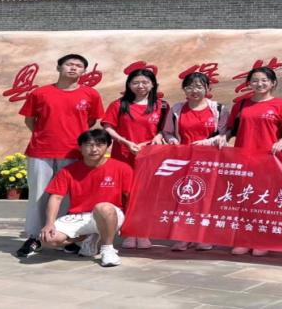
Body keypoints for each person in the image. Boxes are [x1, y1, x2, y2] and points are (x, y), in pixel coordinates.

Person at [15, 54, 105, 259]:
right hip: (41, 151)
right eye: (69, 64)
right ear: (59, 68)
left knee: (68, 197)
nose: (73, 68)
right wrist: (45, 134)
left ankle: (64, 236)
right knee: (39, 196)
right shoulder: (40, 93)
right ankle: (34, 237)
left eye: (78, 66)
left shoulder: (90, 94)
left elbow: (90, 121)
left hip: (74, 153)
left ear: (84, 71)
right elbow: (30, 120)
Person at [39, 129, 134, 268]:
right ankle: (88, 236)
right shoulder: (68, 171)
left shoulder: (122, 168)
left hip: (110, 215)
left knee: (102, 207)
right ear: (80, 147)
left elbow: (130, 197)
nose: (94, 149)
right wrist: (49, 223)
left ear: (108, 146)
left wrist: (130, 225)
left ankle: (107, 249)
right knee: (48, 240)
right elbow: (56, 198)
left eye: (99, 145)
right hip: (80, 216)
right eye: (89, 145)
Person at [226, 66, 282, 256]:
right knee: (245, 199)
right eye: (254, 80)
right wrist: (223, 139)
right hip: (244, 158)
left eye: (264, 80)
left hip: (269, 160)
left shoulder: (281, 105)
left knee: (264, 200)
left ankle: (262, 239)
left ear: (273, 83)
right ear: (249, 84)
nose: (259, 84)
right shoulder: (241, 105)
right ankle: (244, 239)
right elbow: (231, 129)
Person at [160, 71, 230, 251]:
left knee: (206, 199)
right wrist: (173, 142)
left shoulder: (219, 109)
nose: (194, 90)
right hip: (184, 160)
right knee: (183, 198)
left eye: (199, 86)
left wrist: (207, 142)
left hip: (209, 161)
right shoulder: (177, 109)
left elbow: (225, 134)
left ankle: (203, 236)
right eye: (190, 87)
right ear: (184, 89)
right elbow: (167, 132)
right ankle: (183, 236)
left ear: (208, 88)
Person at [102, 68, 168, 250]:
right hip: (124, 155)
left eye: (145, 82)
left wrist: (157, 137)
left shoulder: (161, 106)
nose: (140, 86)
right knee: (126, 193)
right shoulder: (119, 104)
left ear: (153, 84)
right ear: (129, 85)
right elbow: (108, 127)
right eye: (136, 82)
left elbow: (165, 129)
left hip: (150, 156)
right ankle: (129, 231)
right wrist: (125, 142)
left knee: (146, 194)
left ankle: (144, 231)